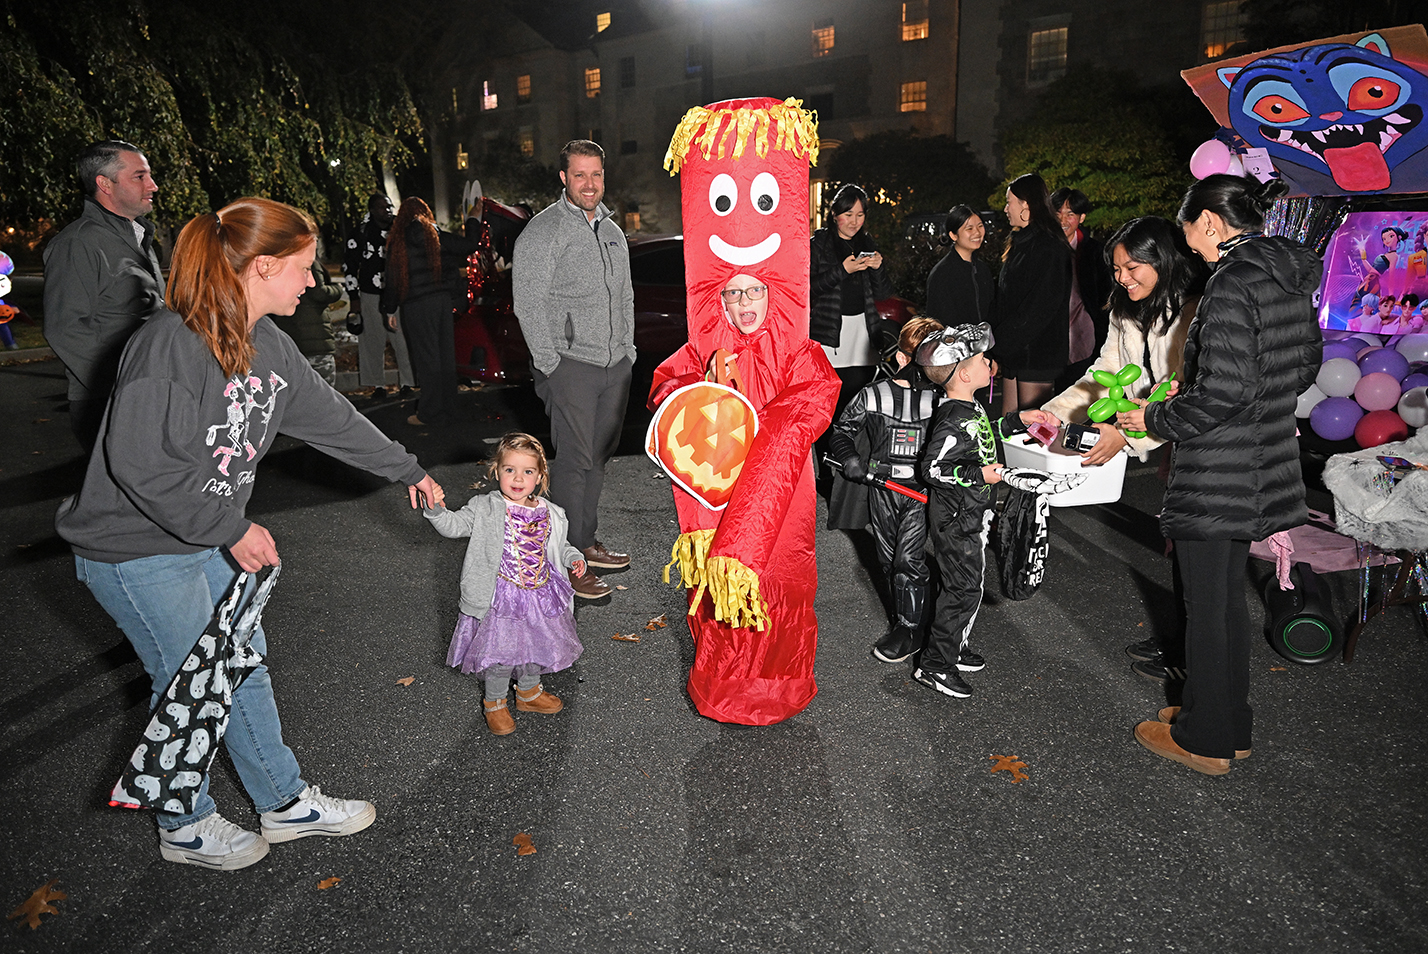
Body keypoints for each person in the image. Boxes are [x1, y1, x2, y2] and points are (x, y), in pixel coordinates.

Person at [56, 196, 446, 870]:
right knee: (189, 682)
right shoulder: (170, 346)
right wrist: (229, 527)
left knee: (239, 666)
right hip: (134, 547)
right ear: (263, 266)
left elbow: (330, 418)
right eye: (302, 267)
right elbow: (142, 467)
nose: (312, 281)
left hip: (199, 534)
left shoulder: (268, 343)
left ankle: (283, 802)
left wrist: (405, 467)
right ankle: (184, 825)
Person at [1118, 174, 1321, 775]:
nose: (1188, 243)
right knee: (1226, 600)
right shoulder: (1283, 274)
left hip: (1220, 466)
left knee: (1208, 604)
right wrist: (1219, 392)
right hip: (1264, 457)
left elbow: (1227, 389)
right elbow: (1302, 365)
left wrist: (1158, 414)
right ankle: (1229, 726)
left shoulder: (1231, 282)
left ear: (1209, 221)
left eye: (1187, 229)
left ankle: (1204, 739)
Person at [512, 140, 634, 599]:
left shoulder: (611, 230)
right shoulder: (543, 232)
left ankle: (584, 542)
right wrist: (550, 364)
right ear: (564, 178)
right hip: (571, 366)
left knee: (597, 460)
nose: (590, 184)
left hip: (614, 365)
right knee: (574, 465)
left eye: (596, 175)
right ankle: (567, 562)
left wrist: (628, 351)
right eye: (580, 175)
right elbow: (528, 304)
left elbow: (624, 295)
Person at [914, 324, 1058, 697]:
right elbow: (932, 469)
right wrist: (979, 473)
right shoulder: (951, 417)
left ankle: (953, 646)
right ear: (964, 373)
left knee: (969, 587)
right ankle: (935, 665)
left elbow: (983, 432)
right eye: (981, 359)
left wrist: (1019, 420)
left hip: (970, 514)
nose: (988, 363)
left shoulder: (967, 406)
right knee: (962, 589)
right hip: (956, 519)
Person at [424, 433, 586, 736]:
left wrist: (573, 557)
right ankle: (495, 703)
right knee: (500, 654)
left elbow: (558, 546)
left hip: (540, 593)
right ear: (496, 471)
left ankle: (528, 692)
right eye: (509, 469)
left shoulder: (549, 512)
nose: (518, 477)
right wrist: (436, 509)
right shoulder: (484, 507)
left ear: (540, 476)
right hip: (501, 598)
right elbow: (454, 526)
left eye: (527, 471)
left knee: (536, 645)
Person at [827, 316, 944, 664]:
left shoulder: (943, 400)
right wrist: (849, 458)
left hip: (921, 493)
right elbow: (842, 430)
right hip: (882, 489)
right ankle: (913, 616)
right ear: (904, 359)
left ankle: (909, 628)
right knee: (889, 559)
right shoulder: (873, 395)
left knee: (908, 559)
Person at [42, 140, 166, 453]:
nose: (152, 185)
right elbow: (65, 328)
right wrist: (122, 385)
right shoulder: (78, 244)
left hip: (150, 391)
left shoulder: (139, 237)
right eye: (139, 177)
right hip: (109, 400)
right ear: (104, 184)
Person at [380, 197, 479, 427]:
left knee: (427, 359)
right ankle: (449, 408)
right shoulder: (436, 236)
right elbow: (470, 245)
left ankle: (429, 412)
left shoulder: (399, 241)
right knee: (446, 357)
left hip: (416, 305)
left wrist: (390, 309)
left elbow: (393, 279)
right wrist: (473, 219)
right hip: (441, 302)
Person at [810, 183, 896, 415]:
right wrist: (842, 270)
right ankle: (828, 450)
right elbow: (807, 289)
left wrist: (878, 268)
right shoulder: (818, 244)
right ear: (834, 214)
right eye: (848, 214)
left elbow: (883, 294)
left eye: (860, 215)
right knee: (828, 404)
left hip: (862, 332)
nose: (854, 221)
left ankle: (848, 450)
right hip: (829, 334)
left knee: (856, 403)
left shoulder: (867, 244)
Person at [991, 173, 1073, 415]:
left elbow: (1040, 307)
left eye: (1009, 202)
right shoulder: (1020, 243)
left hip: (1038, 355)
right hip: (1014, 352)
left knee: (1033, 433)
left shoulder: (1049, 246)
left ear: (1025, 204)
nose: (1006, 208)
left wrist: (1001, 341)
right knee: (1009, 427)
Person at [342, 193, 416, 401]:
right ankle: (377, 385)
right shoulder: (362, 232)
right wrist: (354, 299)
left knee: (402, 340)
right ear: (372, 210)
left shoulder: (402, 229)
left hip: (398, 294)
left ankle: (408, 383)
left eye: (390, 206)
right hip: (370, 294)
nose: (388, 210)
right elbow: (350, 265)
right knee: (372, 341)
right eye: (383, 207)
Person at [1050, 187, 1114, 388]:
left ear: (1081, 217)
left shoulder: (1095, 252)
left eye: (1070, 214)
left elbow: (1106, 295)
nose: (1063, 220)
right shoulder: (1043, 251)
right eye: (1058, 213)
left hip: (1085, 336)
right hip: (1051, 339)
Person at [271, 260, 340, 384]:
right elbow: (319, 292)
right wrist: (337, 289)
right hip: (315, 340)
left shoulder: (277, 262)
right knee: (323, 392)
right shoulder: (308, 261)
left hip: (289, 341)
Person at [924, 205, 993, 326]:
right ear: (953, 235)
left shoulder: (983, 270)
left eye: (980, 226)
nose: (977, 232)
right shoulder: (942, 274)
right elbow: (938, 321)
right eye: (969, 228)